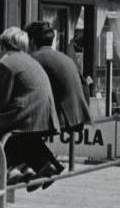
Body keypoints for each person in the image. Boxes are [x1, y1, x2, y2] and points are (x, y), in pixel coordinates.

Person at [0, 27, 59, 190]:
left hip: (25, 115)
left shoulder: (6, 63)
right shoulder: (30, 60)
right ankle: (36, 166)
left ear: (2, 46)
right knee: (8, 131)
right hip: (44, 115)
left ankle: (7, 170)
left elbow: (1, 102)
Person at [28, 20, 90, 182]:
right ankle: (49, 164)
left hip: (64, 117)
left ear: (32, 41)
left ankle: (37, 166)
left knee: (17, 129)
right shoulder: (63, 56)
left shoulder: (36, 58)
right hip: (78, 114)